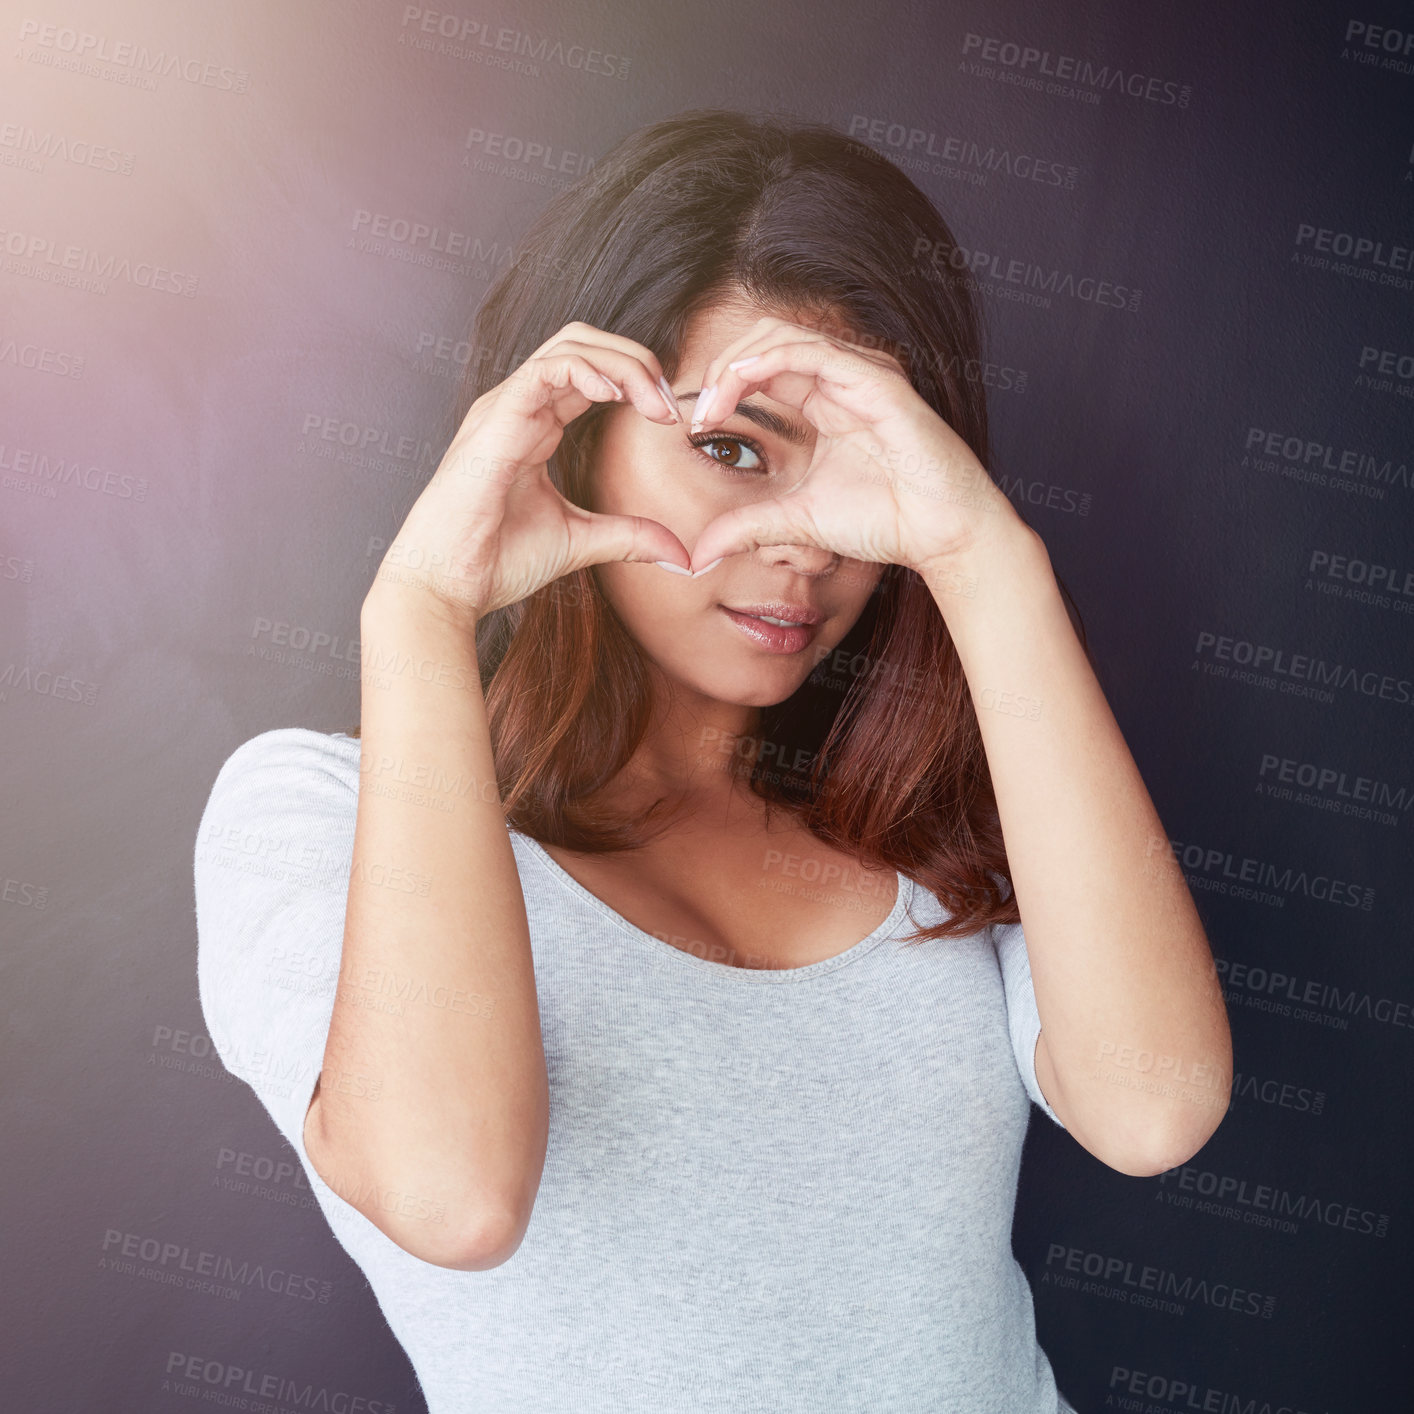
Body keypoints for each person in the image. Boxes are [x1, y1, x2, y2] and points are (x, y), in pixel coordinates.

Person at [195, 108, 1231, 1413]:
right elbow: (454, 1195)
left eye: (847, 472)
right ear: (570, 431)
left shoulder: (920, 828)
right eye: (731, 449)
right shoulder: (313, 814)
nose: (802, 545)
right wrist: (418, 608)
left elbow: (1154, 1110)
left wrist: (981, 551)